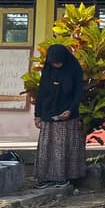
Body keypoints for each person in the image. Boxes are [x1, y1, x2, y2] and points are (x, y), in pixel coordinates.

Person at [33, 44, 86, 189]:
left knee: (63, 148)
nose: (56, 65)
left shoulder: (74, 69)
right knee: (47, 148)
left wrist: (70, 110)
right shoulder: (48, 70)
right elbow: (41, 92)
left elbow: (77, 93)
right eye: (53, 62)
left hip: (67, 116)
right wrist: (37, 115)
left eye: (59, 62)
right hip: (48, 115)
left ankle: (63, 178)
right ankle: (45, 178)